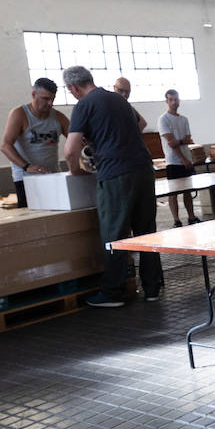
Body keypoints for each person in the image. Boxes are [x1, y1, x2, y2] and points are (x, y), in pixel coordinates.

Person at [63, 66, 163, 306]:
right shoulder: (118, 99)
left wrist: (76, 170)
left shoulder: (83, 105)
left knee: (114, 232)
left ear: (74, 88)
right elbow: (141, 123)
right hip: (144, 169)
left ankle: (112, 293)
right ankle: (152, 288)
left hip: (116, 174)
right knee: (146, 231)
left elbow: (70, 150)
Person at [0, 78, 70, 208]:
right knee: (31, 218)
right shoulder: (20, 114)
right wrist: (27, 167)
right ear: (34, 95)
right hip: (26, 178)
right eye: (45, 98)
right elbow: (5, 146)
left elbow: (76, 140)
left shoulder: (58, 117)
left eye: (52, 99)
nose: (50, 103)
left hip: (52, 176)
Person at [158, 88, 196, 227]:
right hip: (173, 162)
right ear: (167, 101)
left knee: (188, 191)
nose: (174, 102)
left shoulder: (184, 119)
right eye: (171, 99)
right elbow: (170, 142)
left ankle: (192, 217)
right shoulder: (163, 119)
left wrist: (180, 142)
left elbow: (187, 139)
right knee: (173, 193)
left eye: (176, 99)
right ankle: (176, 220)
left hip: (187, 159)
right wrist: (183, 159)